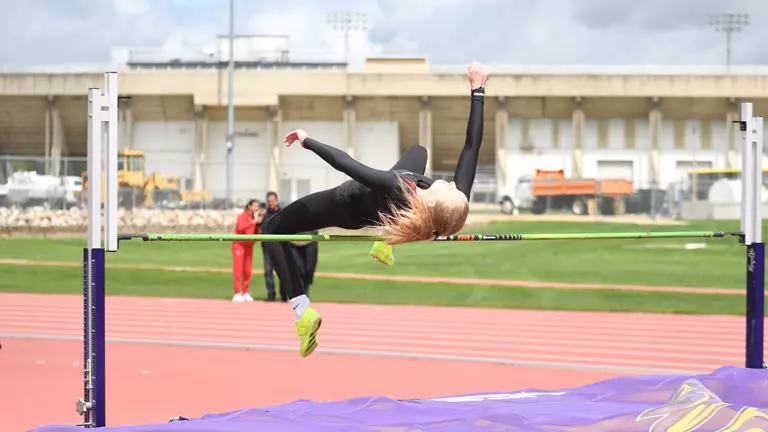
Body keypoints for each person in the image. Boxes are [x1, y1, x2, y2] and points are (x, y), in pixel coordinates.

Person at [261, 61, 488, 358]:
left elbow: (347, 164)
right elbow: (472, 147)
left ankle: (301, 312)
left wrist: (307, 140)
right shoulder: (455, 202)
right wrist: (478, 91)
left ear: (432, 201)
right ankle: (386, 238)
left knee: (272, 228)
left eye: (446, 186)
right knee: (419, 151)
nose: (448, 182)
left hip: (345, 204)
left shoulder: (399, 187)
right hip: (382, 208)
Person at [232, 199, 264, 303]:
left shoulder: (253, 217)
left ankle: (245, 291)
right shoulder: (242, 216)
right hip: (239, 245)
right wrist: (254, 222)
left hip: (249, 246)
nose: (256, 208)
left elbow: (255, 232)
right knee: (238, 270)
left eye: (257, 206)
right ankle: (237, 293)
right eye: (255, 205)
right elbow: (242, 228)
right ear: (249, 206)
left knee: (247, 270)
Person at [262, 191, 284, 302]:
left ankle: (284, 295)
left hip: (281, 247)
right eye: (269, 201)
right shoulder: (264, 215)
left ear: (277, 200)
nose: (270, 203)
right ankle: (271, 294)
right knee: (267, 271)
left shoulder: (283, 213)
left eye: (272, 201)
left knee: (282, 271)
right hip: (268, 247)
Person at [289, 230, 319, 298]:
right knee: (298, 268)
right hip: (293, 240)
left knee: (309, 268)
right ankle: (300, 294)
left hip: (310, 238)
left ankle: (305, 292)